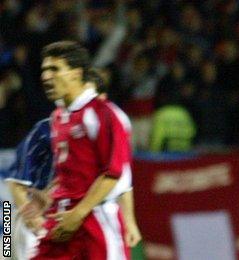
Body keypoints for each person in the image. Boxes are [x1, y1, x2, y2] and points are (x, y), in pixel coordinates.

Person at [4, 68, 142, 259]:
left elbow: (122, 182)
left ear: (103, 98)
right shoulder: (46, 129)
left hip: (83, 218)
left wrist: (130, 221)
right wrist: (31, 219)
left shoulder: (108, 129)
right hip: (40, 219)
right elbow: (14, 181)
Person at [28, 41, 133, 259]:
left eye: (54, 69)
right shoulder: (55, 118)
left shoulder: (103, 114)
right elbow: (71, 170)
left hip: (92, 219)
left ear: (76, 74)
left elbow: (114, 173)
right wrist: (46, 195)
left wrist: (79, 213)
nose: (46, 76)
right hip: (53, 218)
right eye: (44, 70)